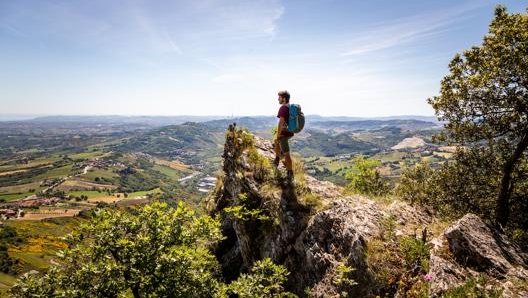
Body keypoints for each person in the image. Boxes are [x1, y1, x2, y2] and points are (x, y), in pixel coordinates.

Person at [274, 90, 294, 179]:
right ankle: (277, 158)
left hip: (284, 134)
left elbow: (281, 122)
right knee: (276, 141)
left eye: (280, 97)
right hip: (290, 132)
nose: (278, 99)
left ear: (284, 99)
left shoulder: (283, 108)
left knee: (287, 153)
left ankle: (290, 172)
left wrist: (278, 134)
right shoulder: (290, 107)